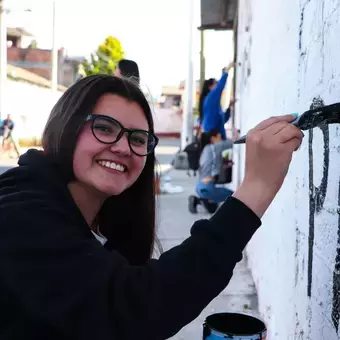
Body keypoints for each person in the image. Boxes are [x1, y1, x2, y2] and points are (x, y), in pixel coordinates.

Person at [0, 75, 303, 339]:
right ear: (65, 127)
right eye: (104, 128)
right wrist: (256, 188)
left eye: (138, 138)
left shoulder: (95, 219)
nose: (122, 147)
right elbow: (133, 309)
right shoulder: (19, 213)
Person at [188, 128, 236, 214]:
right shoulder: (214, 147)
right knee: (235, 196)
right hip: (208, 188)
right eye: (219, 137)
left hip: (200, 186)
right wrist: (236, 132)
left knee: (212, 209)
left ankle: (199, 200)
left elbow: (212, 166)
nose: (221, 139)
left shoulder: (205, 150)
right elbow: (233, 142)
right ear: (213, 139)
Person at [200, 62, 234, 140]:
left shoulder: (214, 104)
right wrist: (226, 72)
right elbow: (219, 88)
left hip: (216, 139)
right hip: (213, 140)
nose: (218, 84)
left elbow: (222, 120)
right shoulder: (210, 98)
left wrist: (228, 108)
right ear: (210, 87)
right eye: (216, 83)